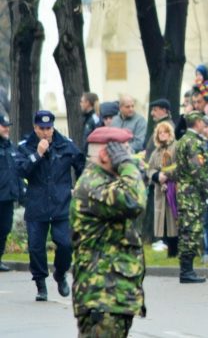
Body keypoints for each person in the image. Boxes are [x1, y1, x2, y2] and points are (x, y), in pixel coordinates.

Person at [70, 126, 148, 337]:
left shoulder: (108, 181)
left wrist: (132, 166)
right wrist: (127, 165)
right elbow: (134, 200)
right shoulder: (93, 184)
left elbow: (140, 182)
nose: (128, 157)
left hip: (113, 296)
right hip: (103, 296)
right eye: (123, 152)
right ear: (106, 155)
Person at [16, 110, 86, 301]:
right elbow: (21, 170)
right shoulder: (26, 147)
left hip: (60, 204)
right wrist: (38, 154)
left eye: (49, 128)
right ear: (35, 127)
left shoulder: (66, 144)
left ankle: (60, 273)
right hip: (37, 204)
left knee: (65, 243)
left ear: (53, 127)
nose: (46, 132)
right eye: (41, 128)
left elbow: (82, 167)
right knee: (36, 248)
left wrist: (79, 188)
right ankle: (40, 284)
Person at [175, 112, 208, 283]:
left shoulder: (182, 140)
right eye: (203, 122)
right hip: (192, 192)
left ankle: (186, 269)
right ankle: (186, 271)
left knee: (186, 229)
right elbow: (197, 170)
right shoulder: (193, 142)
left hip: (184, 190)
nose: (205, 124)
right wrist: (207, 193)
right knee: (192, 230)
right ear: (197, 122)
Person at [145, 120, 178, 256]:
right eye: (160, 132)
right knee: (162, 220)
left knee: (173, 220)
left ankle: (174, 250)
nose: (163, 135)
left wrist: (167, 175)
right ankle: (167, 248)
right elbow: (150, 168)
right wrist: (157, 176)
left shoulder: (176, 147)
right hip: (160, 189)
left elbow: (179, 165)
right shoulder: (156, 152)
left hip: (173, 188)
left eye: (165, 132)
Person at [0, 114, 18, 272]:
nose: (6, 128)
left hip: (8, 196)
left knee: (5, 228)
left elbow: (15, 170)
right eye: (3, 125)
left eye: (7, 125)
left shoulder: (9, 146)